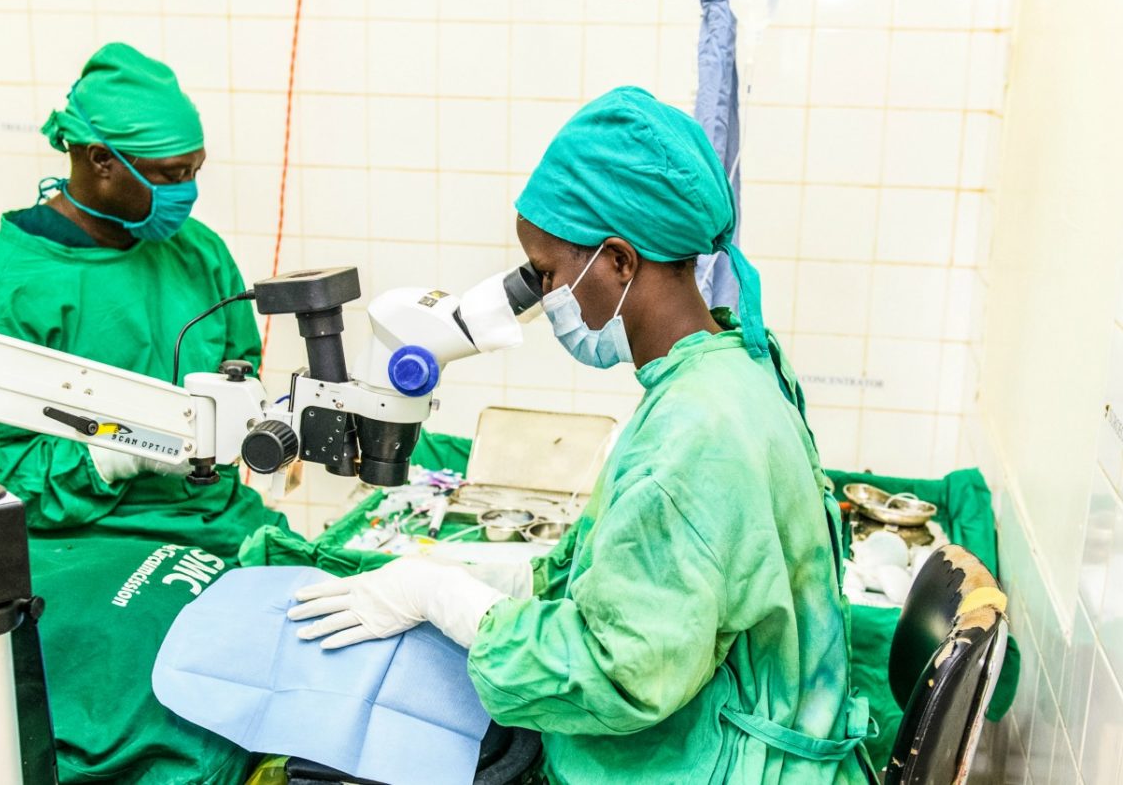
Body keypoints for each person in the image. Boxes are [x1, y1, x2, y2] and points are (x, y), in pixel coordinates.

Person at [287, 87, 872, 783]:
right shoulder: (734, 361)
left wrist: (440, 598)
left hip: (722, 761)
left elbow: (616, 673)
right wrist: (490, 579)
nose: (544, 298)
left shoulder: (692, 433)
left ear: (621, 262)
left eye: (548, 275)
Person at [0, 42, 286, 559]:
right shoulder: (4, 286)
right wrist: (112, 457)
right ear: (101, 160)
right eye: (170, 174)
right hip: (80, 545)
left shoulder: (198, 250)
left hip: (212, 518)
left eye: (195, 171)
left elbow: (240, 365)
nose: (187, 192)